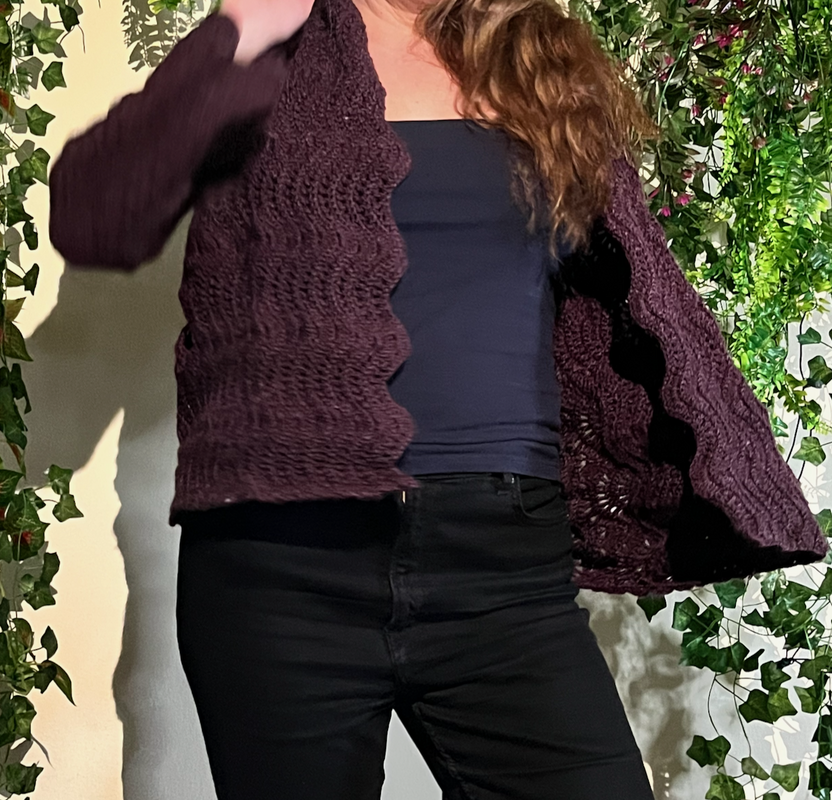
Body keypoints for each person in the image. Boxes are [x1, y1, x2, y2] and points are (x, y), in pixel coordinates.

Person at [48, 0, 828, 797]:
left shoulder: (535, 59)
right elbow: (92, 216)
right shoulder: (273, 46)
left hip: (504, 563)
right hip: (284, 566)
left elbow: (627, 292)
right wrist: (237, 32)